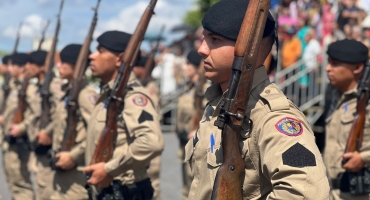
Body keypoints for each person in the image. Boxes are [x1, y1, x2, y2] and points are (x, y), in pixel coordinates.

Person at [184, 0, 330, 199]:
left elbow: (308, 193)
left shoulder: (273, 117)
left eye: (215, 40)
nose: (202, 49)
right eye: (204, 38)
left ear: (247, 50)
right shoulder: (218, 103)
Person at [84, 30, 164, 199]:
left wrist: (109, 169)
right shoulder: (107, 96)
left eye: (101, 50)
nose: (92, 56)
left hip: (124, 191)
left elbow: (151, 142)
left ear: (120, 59)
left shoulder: (133, 97)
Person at [49, 44, 97, 199]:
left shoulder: (85, 95)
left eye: (63, 62)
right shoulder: (67, 92)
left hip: (76, 174)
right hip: (62, 169)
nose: (59, 65)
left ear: (77, 66)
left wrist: (73, 156)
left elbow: (97, 133)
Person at [323, 39, 370, 200]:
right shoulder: (336, 96)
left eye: (335, 64)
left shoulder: (367, 102)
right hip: (331, 192)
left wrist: (363, 159)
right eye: (329, 62)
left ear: (357, 68)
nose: (328, 68)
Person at [1, 53, 34, 200]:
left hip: (20, 142)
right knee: (12, 182)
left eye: (12, 65)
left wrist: (22, 127)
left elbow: (37, 113)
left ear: (21, 68)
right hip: (8, 140)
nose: (9, 69)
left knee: (21, 184)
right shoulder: (14, 87)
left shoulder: (29, 89)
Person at [176, 50, 204, 200]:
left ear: (196, 67)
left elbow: (212, 115)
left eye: (188, 64)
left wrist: (199, 132)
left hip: (197, 147)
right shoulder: (190, 89)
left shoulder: (204, 90)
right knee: (186, 190)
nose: (184, 67)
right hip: (184, 145)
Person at [133, 55, 162, 200]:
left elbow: (151, 114)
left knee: (152, 184)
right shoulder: (142, 86)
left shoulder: (150, 88)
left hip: (150, 138)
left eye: (137, 67)